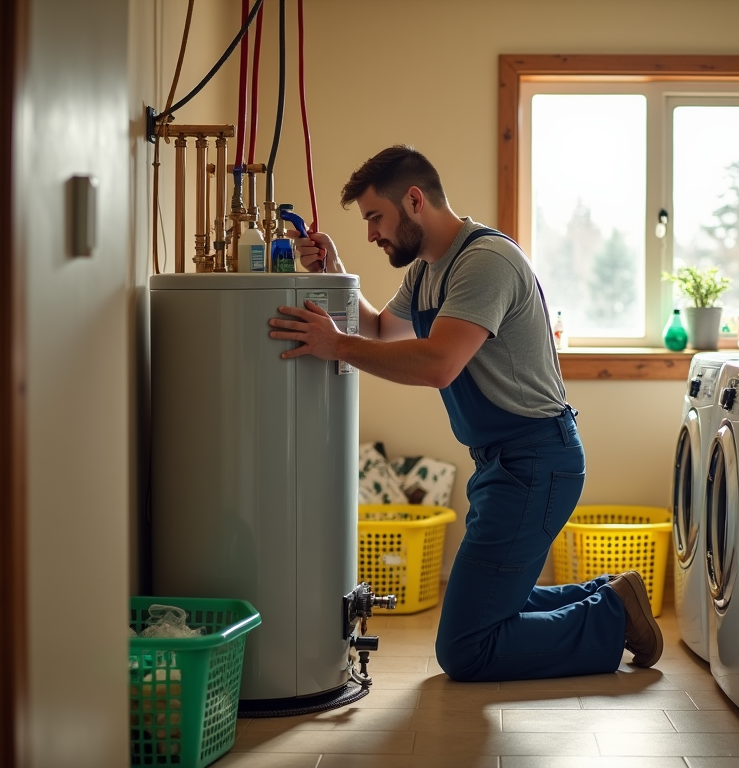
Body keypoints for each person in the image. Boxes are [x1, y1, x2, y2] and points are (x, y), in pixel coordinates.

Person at [268, 145, 662, 682]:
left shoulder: (485, 262)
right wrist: (337, 271)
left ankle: (613, 617)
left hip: (535, 462)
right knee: (486, 614)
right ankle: (608, 596)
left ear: (414, 200)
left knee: (467, 649)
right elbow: (382, 331)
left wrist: (334, 346)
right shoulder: (428, 270)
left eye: (375, 218)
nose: (371, 234)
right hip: (505, 463)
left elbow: (438, 365)